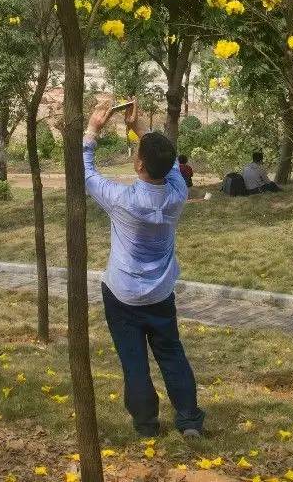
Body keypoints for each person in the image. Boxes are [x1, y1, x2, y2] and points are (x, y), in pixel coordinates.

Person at [84, 96, 206, 438]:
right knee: (172, 354)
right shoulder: (177, 192)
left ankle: (147, 425)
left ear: (139, 166)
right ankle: (189, 420)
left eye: (138, 154)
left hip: (121, 295)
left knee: (133, 361)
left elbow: (85, 171)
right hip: (160, 294)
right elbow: (162, 159)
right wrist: (138, 127)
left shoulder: (121, 199)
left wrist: (94, 127)